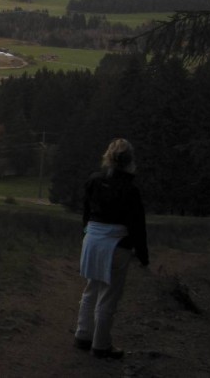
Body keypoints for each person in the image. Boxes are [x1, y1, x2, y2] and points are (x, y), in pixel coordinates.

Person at [73, 138, 149, 360]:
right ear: (129, 161)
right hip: (116, 244)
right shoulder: (130, 189)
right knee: (108, 296)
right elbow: (137, 226)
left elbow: (86, 212)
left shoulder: (94, 181)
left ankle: (83, 335)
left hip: (92, 240)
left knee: (91, 289)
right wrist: (143, 256)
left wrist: (86, 235)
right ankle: (101, 345)